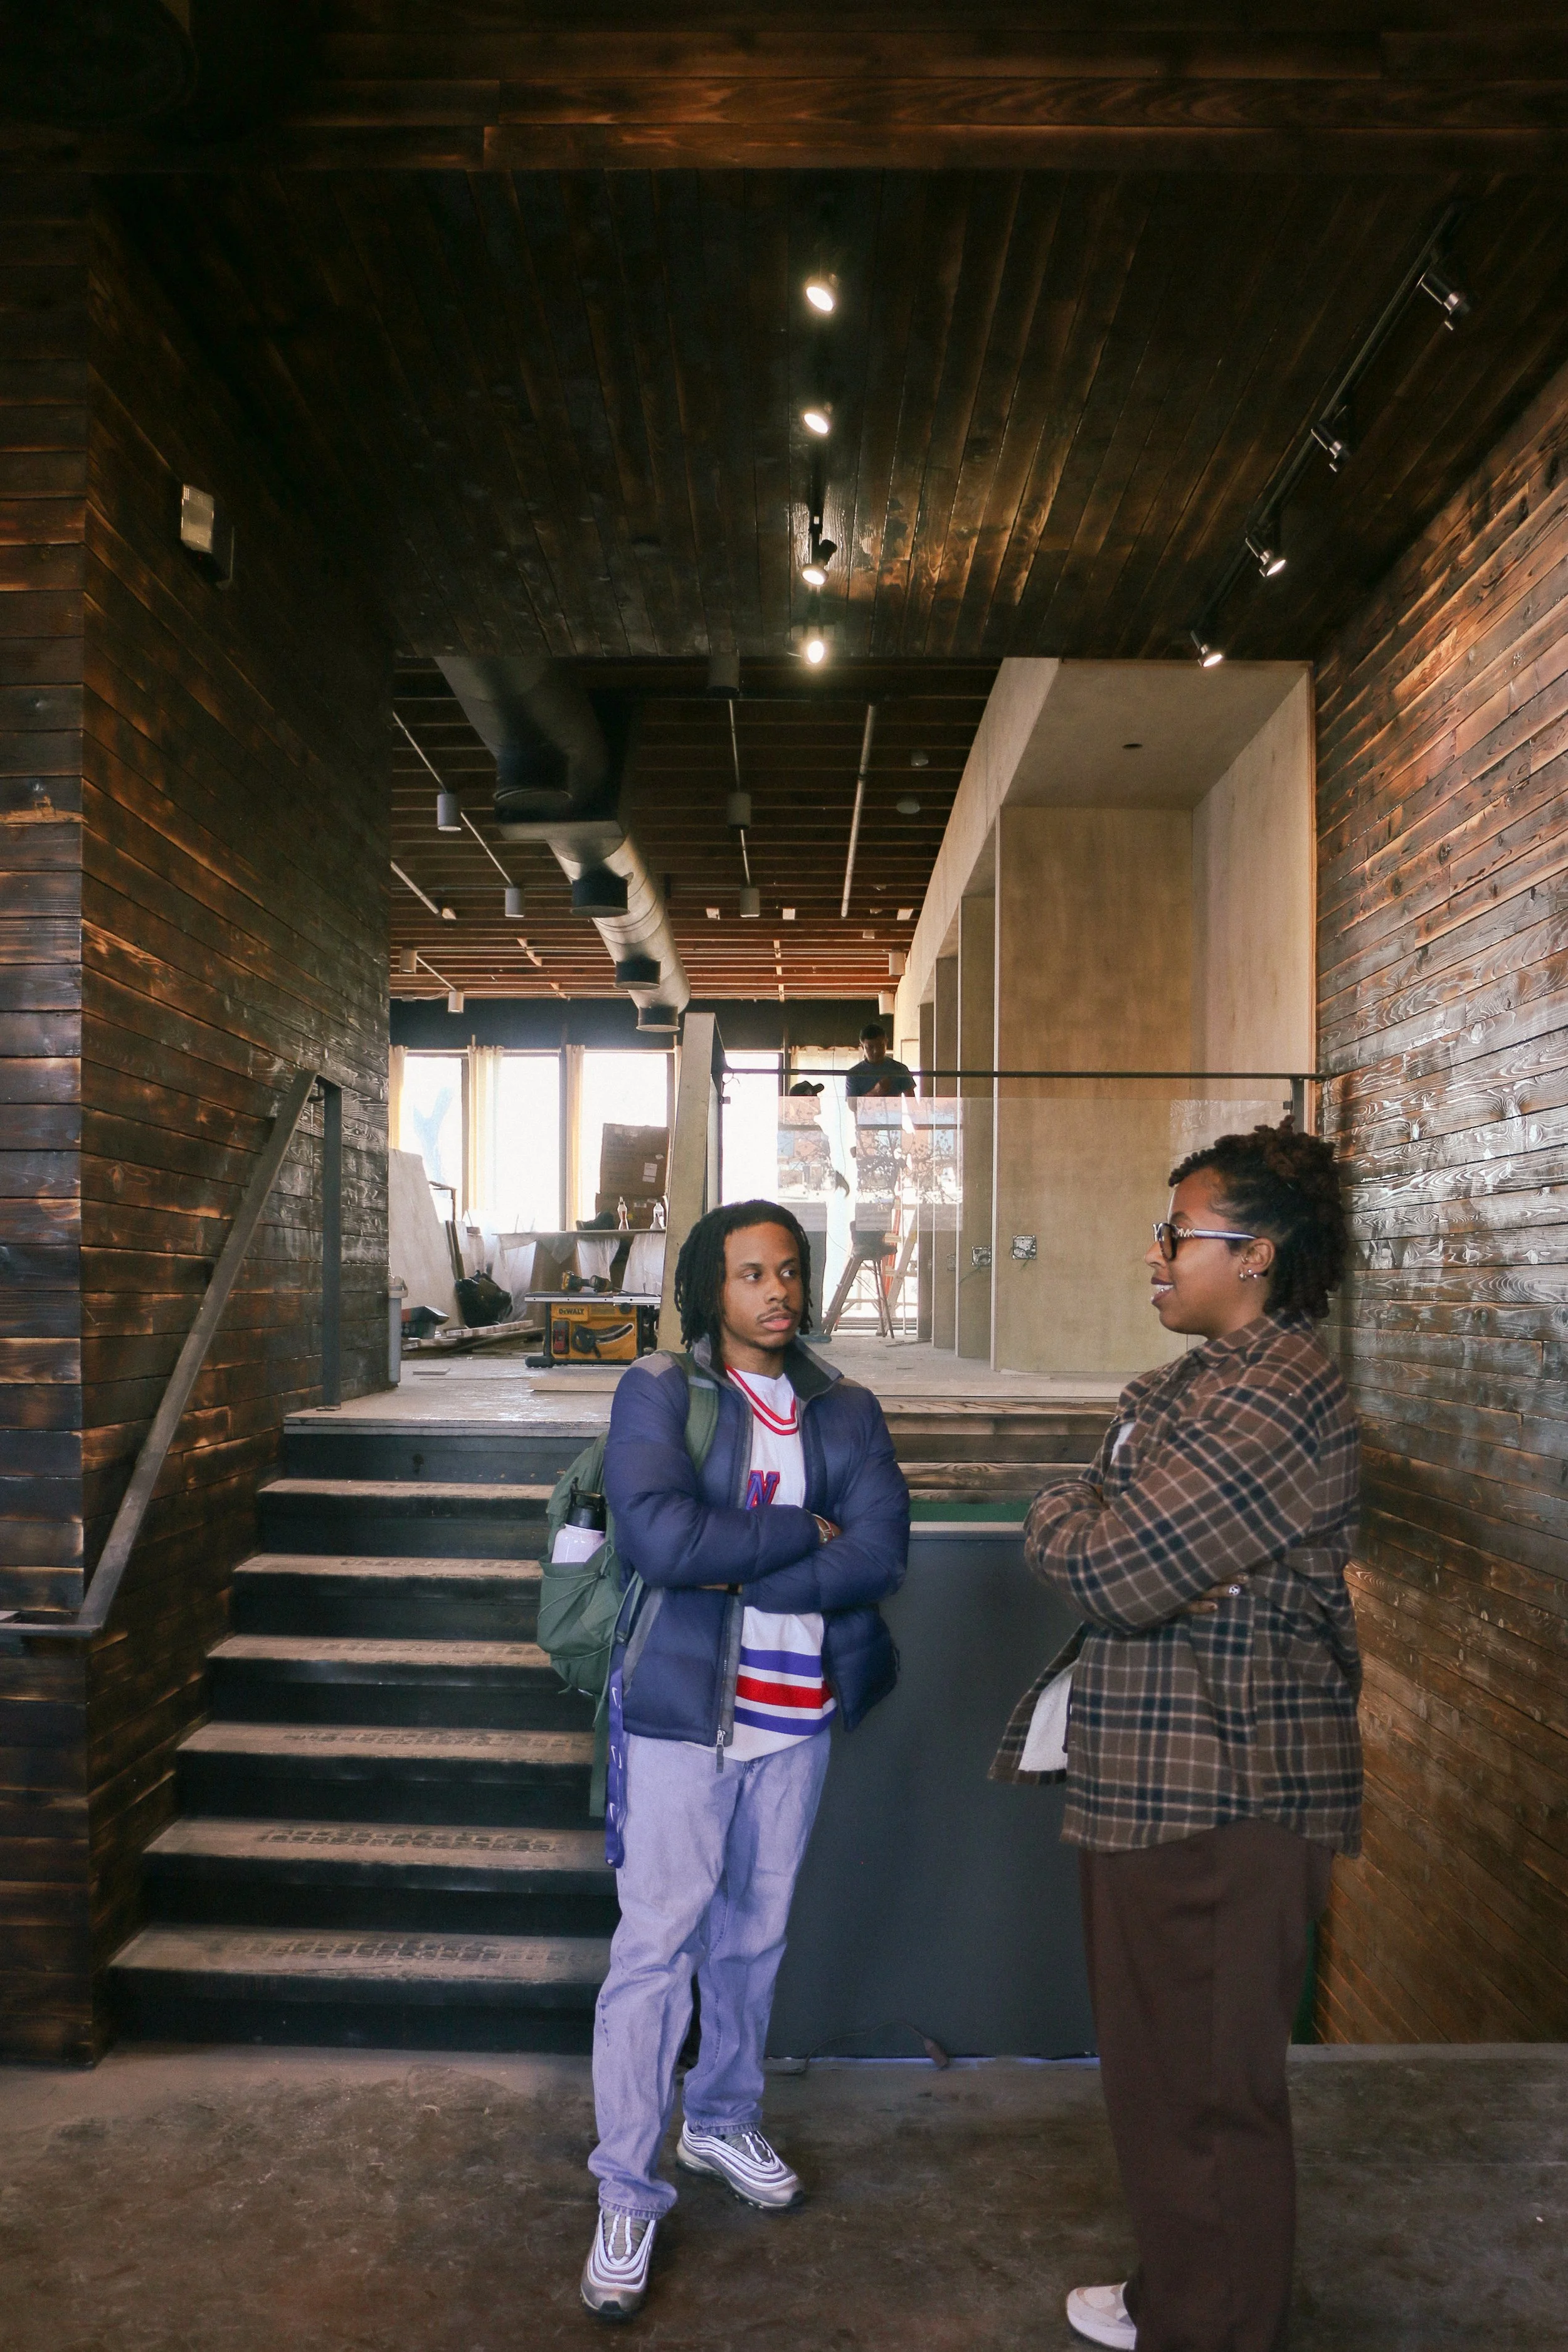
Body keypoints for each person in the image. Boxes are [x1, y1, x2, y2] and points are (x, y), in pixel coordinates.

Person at [993, 1122, 1361, 2352]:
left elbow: (1113, 1566)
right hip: (1159, 1781)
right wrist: (1086, 1511)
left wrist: (1090, 1519)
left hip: (1221, 1790)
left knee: (1208, 2098)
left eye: (1176, 1235)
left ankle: (1214, 2329)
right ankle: (1179, 2298)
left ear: (1253, 1253)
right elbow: (1093, 1523)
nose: (1152, 1254)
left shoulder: (1277, 1391)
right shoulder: (1189, 1388)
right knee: (1162, 2081)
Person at [580, 1199, 910, 2319]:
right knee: (654, 1952)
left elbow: (879, 1553)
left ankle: (720, 2122)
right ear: (709, 1290)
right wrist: (796, 1535)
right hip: (681, 1712)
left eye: (789, 1271)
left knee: (753, 1940)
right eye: (750, 1273)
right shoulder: (661, 1393)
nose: (776, 1290)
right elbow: (658, 1539)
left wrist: (742, 1563)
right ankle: (628, 2186)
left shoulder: (846, 1408)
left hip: (796, 1717)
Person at [843, 1021, 916, 1099]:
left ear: (886, 1043)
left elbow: (912, 1104)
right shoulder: (854, 1074)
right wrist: (875, 1092)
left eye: (880, 1045)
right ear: (862, 1047)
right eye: (870, 1047)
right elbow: (853, 1107)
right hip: (866, 1112)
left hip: (893, 1112)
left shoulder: (900, 1069)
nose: (876, 1051)